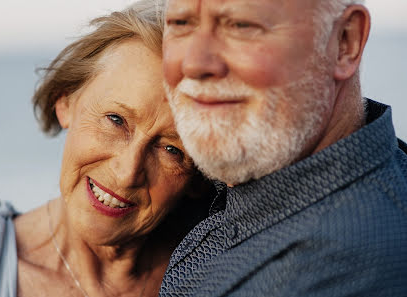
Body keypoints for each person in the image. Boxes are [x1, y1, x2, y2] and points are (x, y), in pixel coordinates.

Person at [0, 1, 214, 296]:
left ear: (199, 175)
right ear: (65, 101)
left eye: (171, 150)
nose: (127, 172)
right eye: (116, 120)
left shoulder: (221, 277)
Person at [160, 0, 407, 296]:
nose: (194, 63)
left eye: (241, 25)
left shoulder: (346, 268)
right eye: (180, 24)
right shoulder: (248, 173)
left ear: (345, 41)